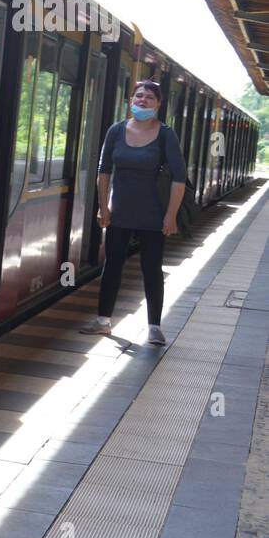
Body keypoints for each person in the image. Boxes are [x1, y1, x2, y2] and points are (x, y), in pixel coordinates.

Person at [80, 81, 185, 345]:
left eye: (150, 98)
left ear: (158, 104)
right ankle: (103, 321)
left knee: (151, 268)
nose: (143, 100)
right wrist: (103, 207)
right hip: (120, 212)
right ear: (130, 100)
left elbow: (179, 178)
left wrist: (170, 215)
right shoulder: (116, 131)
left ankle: (154, 327)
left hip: (153, 214)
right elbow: (103, 171)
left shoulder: (165, 135)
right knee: (112, 264)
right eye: (138, 96)